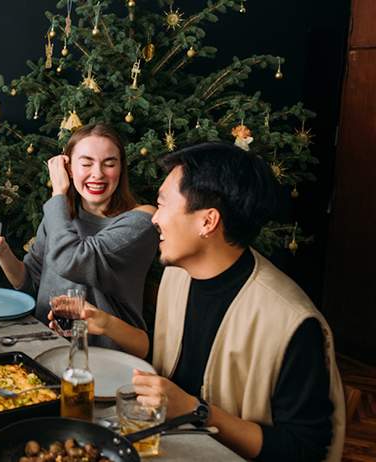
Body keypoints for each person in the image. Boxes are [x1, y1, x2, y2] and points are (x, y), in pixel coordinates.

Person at [130, 143, 344, 461]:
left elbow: (306, 450)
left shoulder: (292, 323)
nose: (154, 219)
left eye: (162, 205)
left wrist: (198, 412)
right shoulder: (179, 273)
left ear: (207, 222)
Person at [0, 123, 158, 356]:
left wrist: (59, 192)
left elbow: (73, 261)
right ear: (69, 168)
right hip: (46, 345)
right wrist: (4, 253)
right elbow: (30, 283)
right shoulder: (60, 217)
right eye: (86, 163)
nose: (97, 173)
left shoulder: (140, 220)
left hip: (106, 356)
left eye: (109, 163)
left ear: (121, 169)